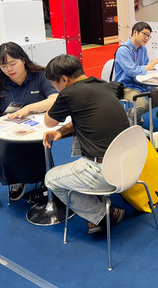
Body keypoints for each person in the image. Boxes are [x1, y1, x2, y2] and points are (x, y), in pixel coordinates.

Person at [43, 54, 130, 234]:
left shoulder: (68, 93)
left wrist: (52, 100)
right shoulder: (103, 85)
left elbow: (48, 122)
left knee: (50, 179)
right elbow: (85, 117)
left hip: (105, 172)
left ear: (64, 80)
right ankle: (99, 205)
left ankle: (104, 214)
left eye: (54, 84)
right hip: (130, 165)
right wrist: (62, 131)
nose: (55, 88)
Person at [0, 42, 58, 200]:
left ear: (23, 60)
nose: (9, 69)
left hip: (39, 125)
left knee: (35, 146)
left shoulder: (40, 76)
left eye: (13, 63)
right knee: (4, 153)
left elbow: (55, 99)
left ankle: (45, 178)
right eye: (3, 65)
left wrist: (29, 109)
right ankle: (17, 180)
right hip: (10, 127)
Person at [114, 21, 158, 124]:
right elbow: (132, 71)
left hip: (142, 84)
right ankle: (131, 117)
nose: (147, 38)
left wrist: (151, 70)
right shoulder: (123, 50)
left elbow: (145, 66)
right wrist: (149, 66)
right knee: (144, 105)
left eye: (148, 36)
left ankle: (133, 113)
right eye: (144, 34)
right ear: (135, 32)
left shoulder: (143, 49)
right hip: (127, 86)